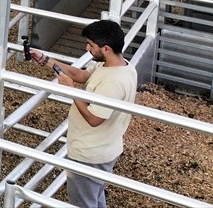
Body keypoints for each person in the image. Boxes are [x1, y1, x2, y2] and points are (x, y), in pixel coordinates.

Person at [28, 20, 137, 208]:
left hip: (89, 154)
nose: (87, 48)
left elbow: (94, 119)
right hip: (103, 149)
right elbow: (80, 75)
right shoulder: (118, 65)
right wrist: (46, 60)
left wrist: (71, 91)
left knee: (83, 203)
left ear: (106, 49)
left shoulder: (114, 82)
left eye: (91, 45)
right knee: (95, 197)